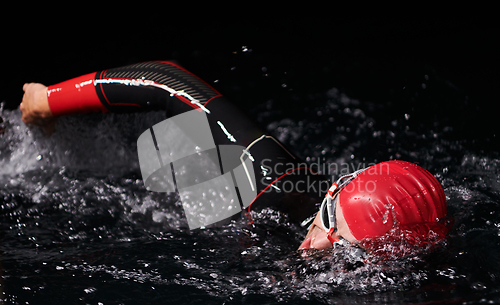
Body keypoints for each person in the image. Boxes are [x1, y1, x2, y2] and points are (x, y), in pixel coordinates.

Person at [19, 60, 452, 254]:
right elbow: (165, 81)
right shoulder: (274, 181)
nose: (318, 247)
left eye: (345, 258)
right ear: (330, 196)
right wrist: (46, 100)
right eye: (329, 227)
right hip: (202, 199)